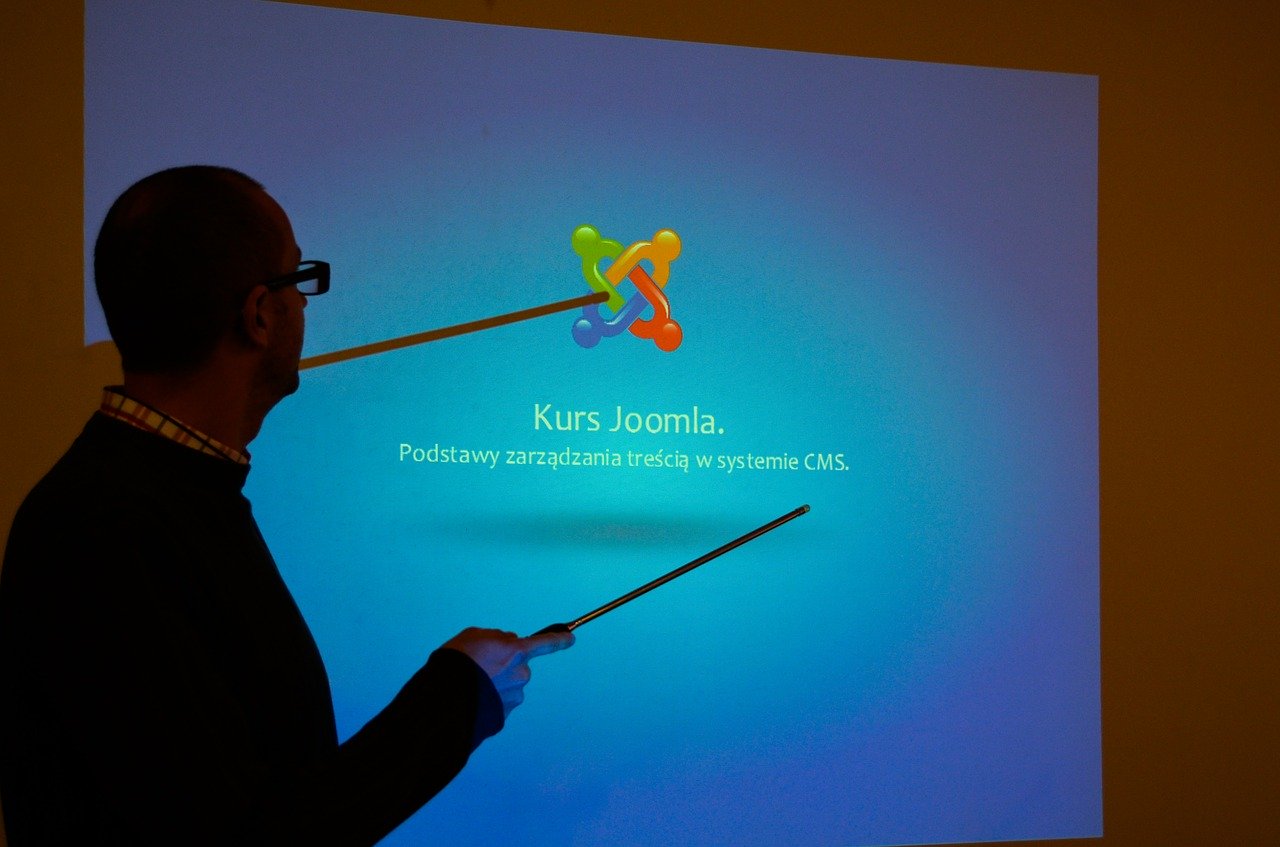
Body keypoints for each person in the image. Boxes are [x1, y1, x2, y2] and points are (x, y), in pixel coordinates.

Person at [0, 165, 574, 845]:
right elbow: (248, 834)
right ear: (259, 314)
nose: (305, 305)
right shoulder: (104, 527)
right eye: (299, 279)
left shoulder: (153, 495)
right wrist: (458, 697)